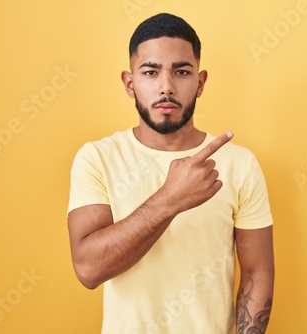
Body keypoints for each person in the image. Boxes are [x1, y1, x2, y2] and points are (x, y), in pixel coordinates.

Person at [67, 13, 274, 334]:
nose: (166, 87)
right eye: (151, 72)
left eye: (181, 71)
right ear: (129, 83)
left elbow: (257, 273)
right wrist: (170, 199)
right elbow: (88, 270)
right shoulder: (96, 158)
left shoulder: (240, 163)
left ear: (200, 82)